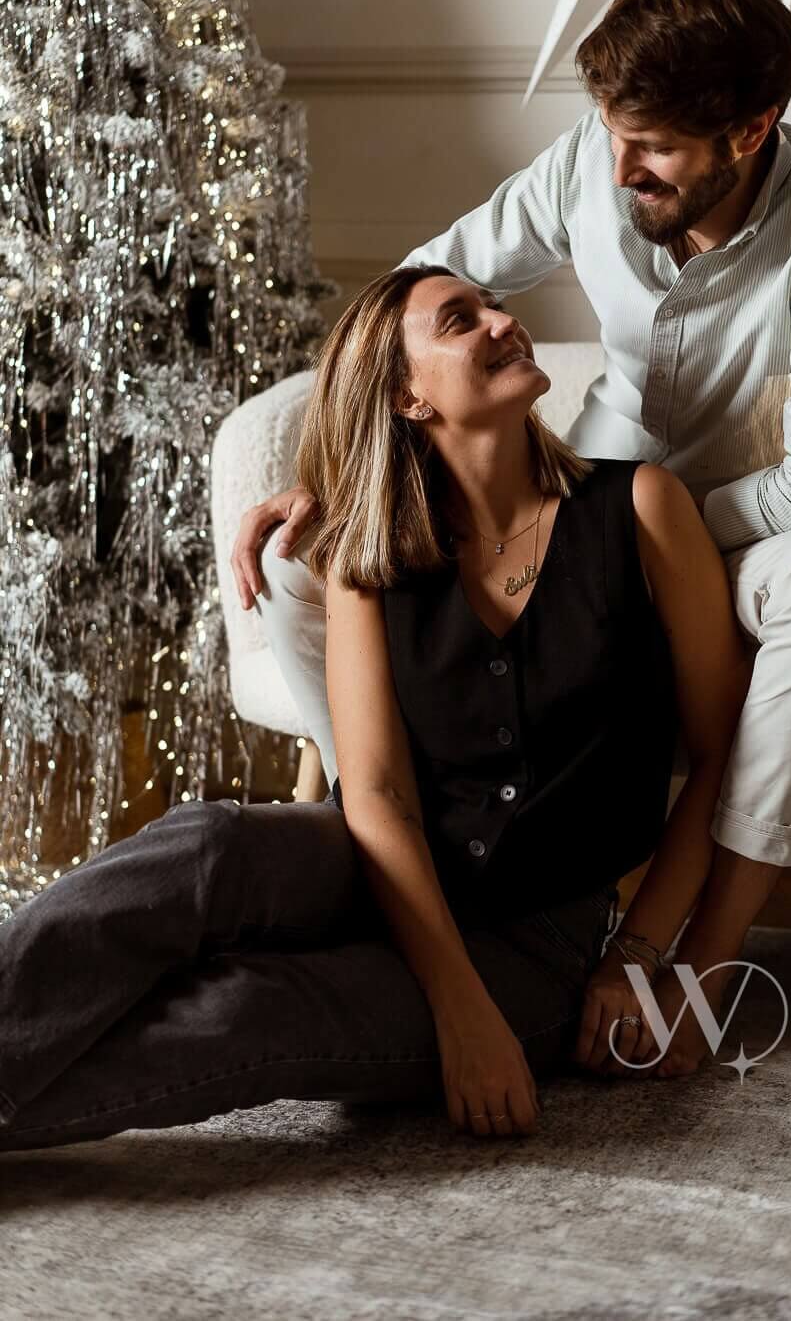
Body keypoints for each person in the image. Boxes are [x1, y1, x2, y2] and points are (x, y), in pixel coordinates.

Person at [231, 0, 791, 1064]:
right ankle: (388, 848)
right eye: (610, 134)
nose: (619, 166)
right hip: (573, 503)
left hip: (740, 528)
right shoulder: (595, 159)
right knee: (313, 559)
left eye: (655, 149)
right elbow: (411, 299)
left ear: (750, 130)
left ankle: (706, 961)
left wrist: (647, 527)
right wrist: (340, 465)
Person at [0, 262, 752, 1152]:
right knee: (208, 846)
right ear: (406, 395)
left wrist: (636, 955)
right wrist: (454, 1002)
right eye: (461, 321)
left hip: (541, 942)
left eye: (496, 308)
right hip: (384, 867)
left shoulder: (641, 507)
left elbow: (720, 756)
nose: (502, 324)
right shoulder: (371, 549)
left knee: (249, 1008)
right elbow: (379, 795)